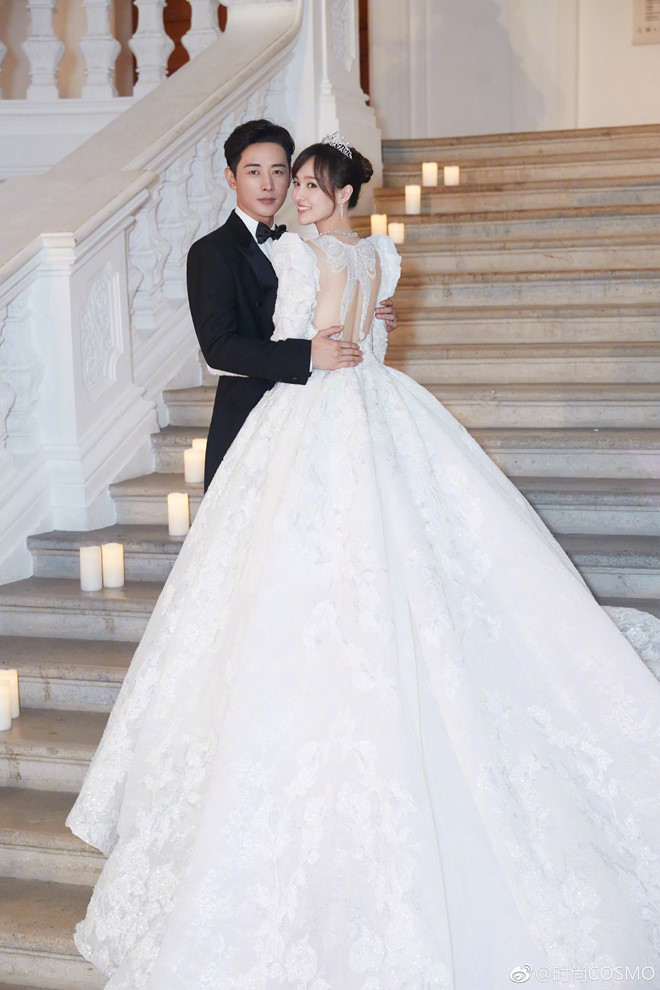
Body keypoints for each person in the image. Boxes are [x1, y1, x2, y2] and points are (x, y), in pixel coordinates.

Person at [67, 134, 660, 989]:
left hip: (314, 426)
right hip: (321, 415)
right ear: (234, 178)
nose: (286, 191)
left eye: (299, 179)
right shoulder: (330, 253)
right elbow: (230, 345)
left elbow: (325, 328)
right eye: (272, 177)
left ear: (333, 191)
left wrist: (339, 329)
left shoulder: (308, 251)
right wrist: (334, 335)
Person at [186, 118, 396, 490]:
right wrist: (306, 355)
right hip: (250, 417)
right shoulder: (212, 251)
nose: (268, 184)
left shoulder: (303, 246)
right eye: (254, 172)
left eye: (280, 172)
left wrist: (372, 313)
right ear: (232, 178)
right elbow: (218, 349)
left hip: (322, 414)